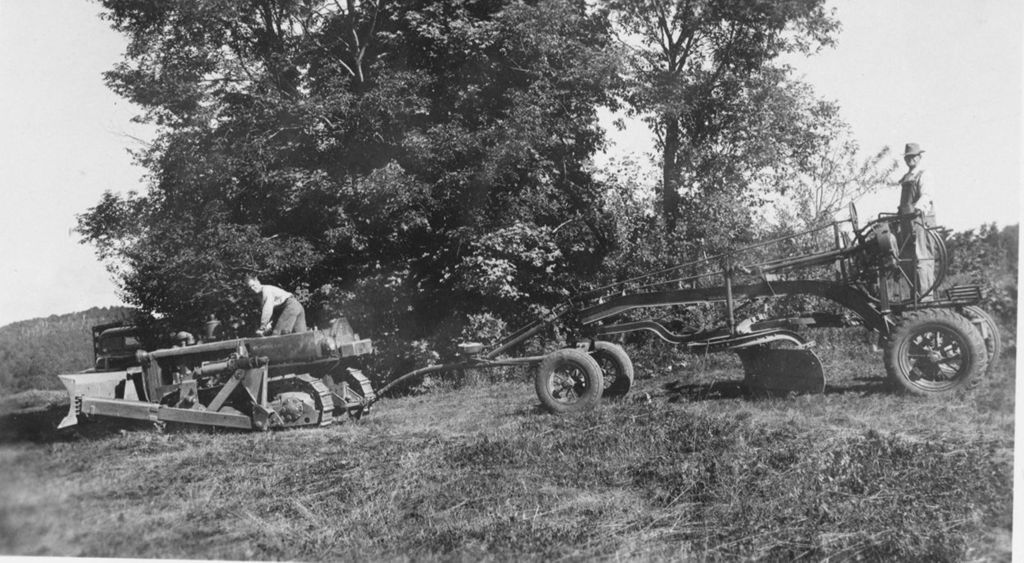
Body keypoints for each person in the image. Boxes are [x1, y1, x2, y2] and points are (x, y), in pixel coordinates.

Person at [895, 142, 935, 300]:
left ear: (919, 157)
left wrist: (916, 210)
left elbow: (926, 196)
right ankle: (915, 296)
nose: (910, 159)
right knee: (906, 258)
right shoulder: (906, 177)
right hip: (906, 221)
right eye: (907, 157)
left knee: (922, 258)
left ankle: (925, 297)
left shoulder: (923, 174)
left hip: (920, 220)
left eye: (913, 156)